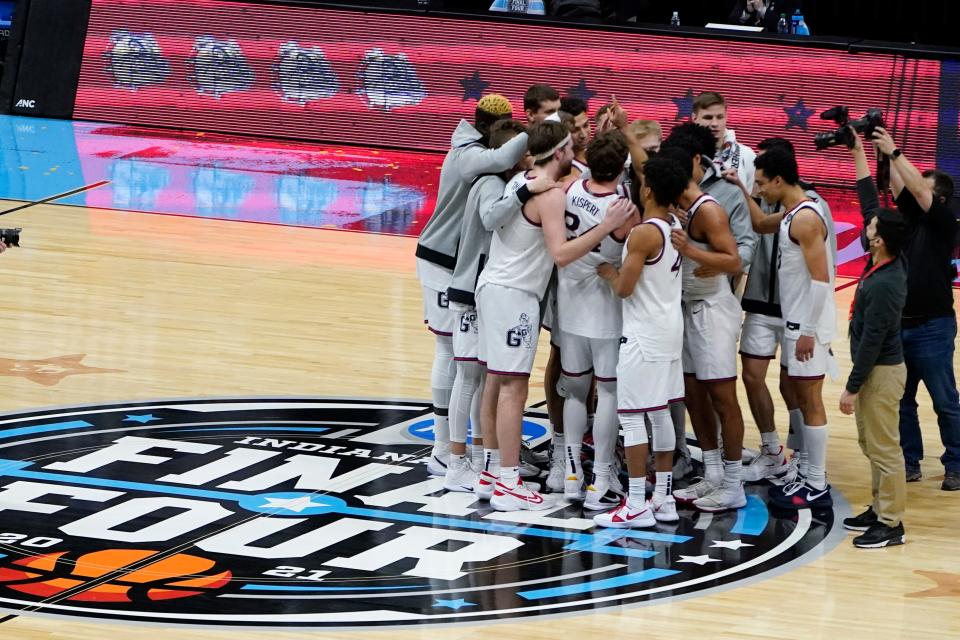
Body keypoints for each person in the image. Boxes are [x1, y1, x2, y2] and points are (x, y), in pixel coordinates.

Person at [475, 121, 633, 511]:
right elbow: (560, 254)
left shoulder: (521, 181)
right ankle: (509, 482)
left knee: (496, 381)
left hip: (494, 286)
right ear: (560, 152)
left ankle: (491, 470)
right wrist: (608, 226)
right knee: (513, 387)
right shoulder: (550, 196)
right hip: (516, 297)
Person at [414, 94, 527, 478]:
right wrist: (544, 135)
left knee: (468, 363)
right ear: (484, 125)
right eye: (506, 127)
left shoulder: (476, 146)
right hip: (442, 261)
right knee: (452, 355)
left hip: (458, 264)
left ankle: (477, 447)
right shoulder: (468, 154)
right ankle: (444, 448)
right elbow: (499, 160)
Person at [593, 154, 689, 528]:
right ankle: (663, 498)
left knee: (632, 419)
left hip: (645, 334)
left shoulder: (644, 233)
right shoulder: (674, 224)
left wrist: (608, 273)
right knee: (660, 413)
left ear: (647, 189)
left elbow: (625, 288)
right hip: (669, 331)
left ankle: (635, 504)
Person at [735, 137, 837, 483]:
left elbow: (822, 280)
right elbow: (762, 224)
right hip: (794, 321)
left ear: (779, 180)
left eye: (761, 182)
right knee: (802, 396)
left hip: (804, 325)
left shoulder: (807, 217)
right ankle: (807, 473)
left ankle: (815, 479)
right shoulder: (793, 211)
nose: (758, 186)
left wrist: (809, 331)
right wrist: (741, 188)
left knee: (809, 400)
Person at [868, 127, 960, 491]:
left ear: (939, 197)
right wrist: (880, 151)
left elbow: (917, 190)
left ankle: (956, 462)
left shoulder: (943, 221)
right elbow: (898, 188)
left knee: (945, 401)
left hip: (933, 327)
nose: (915, 187)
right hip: (899, 324)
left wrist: (895, 152)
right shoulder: (909, 218)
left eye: (924, 186)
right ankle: (909, 462)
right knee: (901, 401)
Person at [444, 119, 530, 493]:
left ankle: (482, 458)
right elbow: (491, 219)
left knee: (482, 379)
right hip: (469, 291)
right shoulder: (490, 184)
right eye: (521, 152)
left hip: (478, 290)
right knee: (467, 380)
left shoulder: (496, 182)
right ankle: (455, 459)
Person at [661, 142, 746, 513]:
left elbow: (734, 260)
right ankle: (711, 473)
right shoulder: (685, 206)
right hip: (688, 308)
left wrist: (692, 251)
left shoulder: (709, 211)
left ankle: (734, 483)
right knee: (693, 393)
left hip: (713, 311)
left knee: (723, 398)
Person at [556, 131, 638, 509]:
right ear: (623, 166)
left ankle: (572, 476)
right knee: (608, 392)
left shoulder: (571, 189)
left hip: (570, 302)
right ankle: (600, 480)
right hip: (606, 307)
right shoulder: (625, 209)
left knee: (575, 390)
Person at [839, 201, 910, 548]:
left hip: (880, 374)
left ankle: (891, 523)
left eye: (872, 228)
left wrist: (852, 387)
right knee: (871, 444)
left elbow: (872, 340)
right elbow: (872, 208)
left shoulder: (885, 284)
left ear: (879, 240)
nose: (867, 228)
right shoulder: (885, 262)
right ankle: (880, 507)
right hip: (875, 372)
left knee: (885, 449)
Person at [692, 91, 756, 193]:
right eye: (708, 117)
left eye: (720, 117)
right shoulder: (685, 155)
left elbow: (755, 202)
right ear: (694, 118)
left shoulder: (747, 155)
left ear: (726, 117)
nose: (714, 123)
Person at [560, 96, 592, 177]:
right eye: (575, 130)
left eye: (586, 125)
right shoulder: (565, 171)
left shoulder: (600, 151)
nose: (583, 135)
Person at [728, 0, 801, 31]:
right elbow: (730, 23)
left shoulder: (790, 1)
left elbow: (789, 28)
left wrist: (763, 10)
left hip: (776, 45)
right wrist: (747, 12)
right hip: (748, 43)